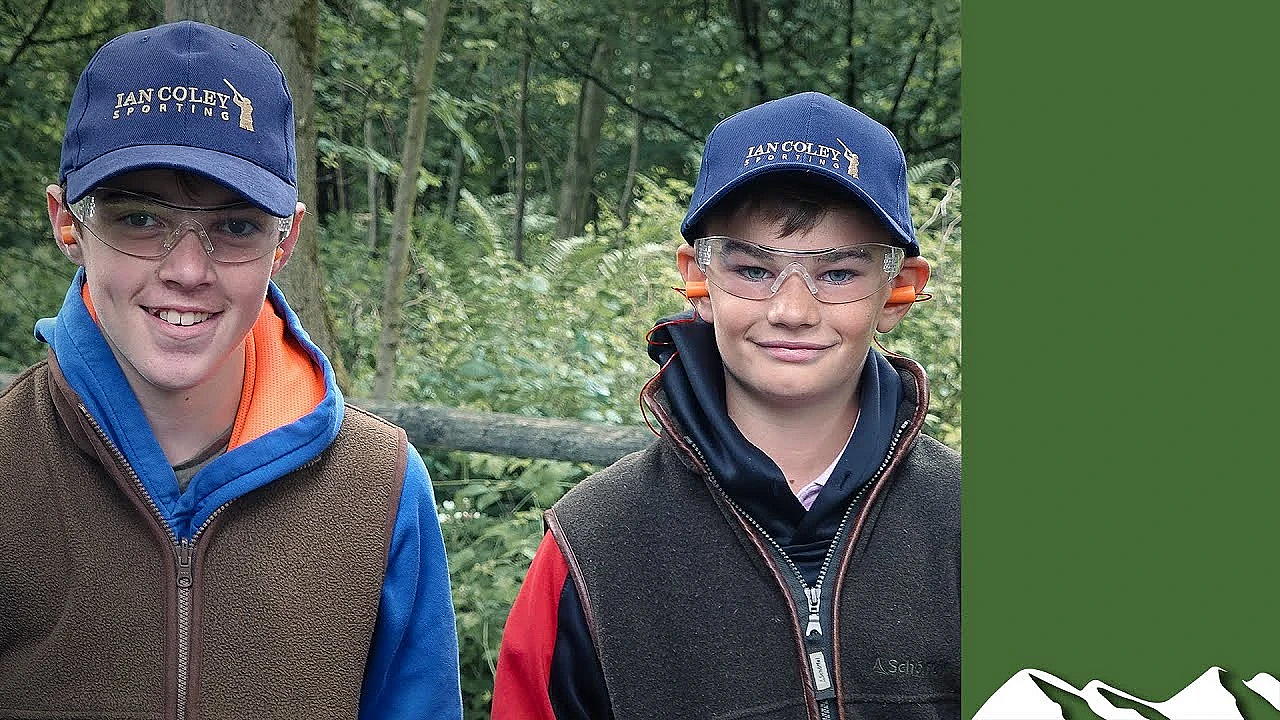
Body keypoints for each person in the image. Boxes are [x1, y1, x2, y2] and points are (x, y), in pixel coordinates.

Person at [0, 21, 461, 719]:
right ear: (67, 222)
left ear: (286, 241)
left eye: (236, 226)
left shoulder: (381, 485)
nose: (186, 270)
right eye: (139, 219)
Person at [491, 91, 960, 719]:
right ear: (698, 279)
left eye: (839, 274)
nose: (792, 311)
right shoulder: (591, 549)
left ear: (899, 290)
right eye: (754, 270)